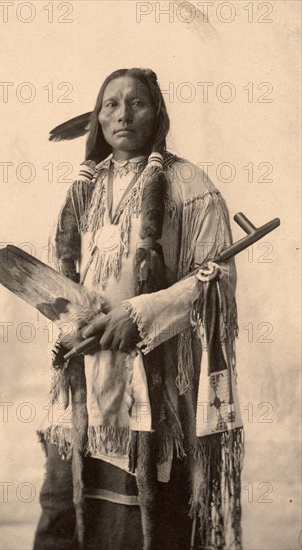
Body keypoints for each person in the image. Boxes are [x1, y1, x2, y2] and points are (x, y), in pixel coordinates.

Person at [34, 68, 244, 550]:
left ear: (158, 113)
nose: (123, 114)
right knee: (65, 507)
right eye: (111, 104)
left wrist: (140, 316)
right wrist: (72, 331)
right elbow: (57, 277)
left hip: (159, 380)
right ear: (97, 116)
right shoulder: (82, 189)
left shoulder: (188, 182)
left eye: (137, 103)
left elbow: (217, 280)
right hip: (86, 380)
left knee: (152, 518)